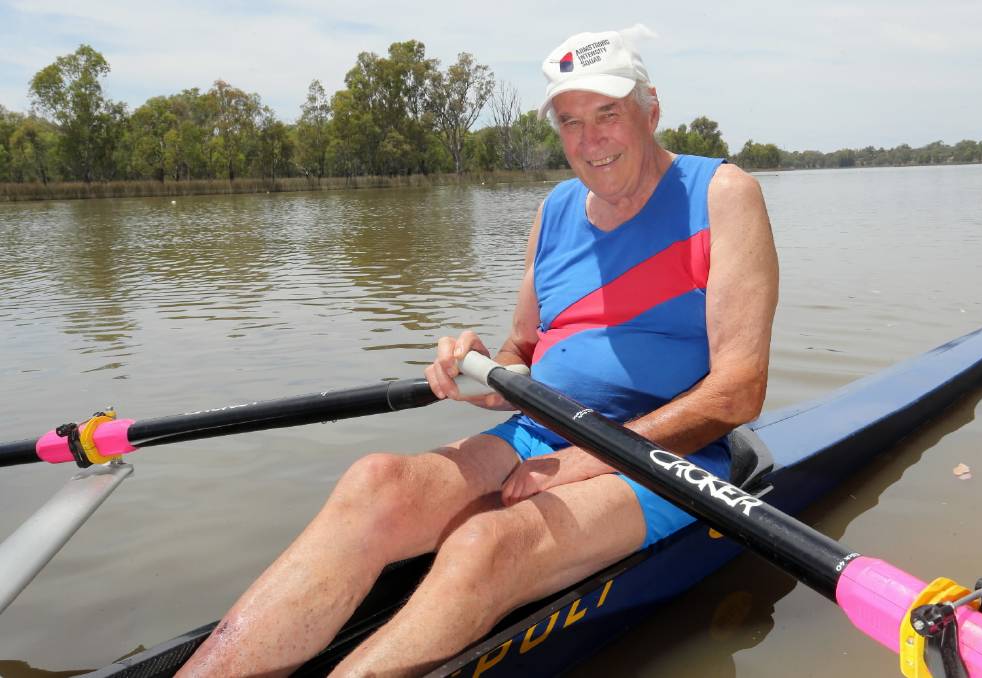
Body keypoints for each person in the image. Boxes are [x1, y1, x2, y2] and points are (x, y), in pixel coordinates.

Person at [180, 24, 777, 677]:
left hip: (669, 459)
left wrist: (589, 459)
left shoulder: (721, 194)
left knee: (482, 544)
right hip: (536, 433)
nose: (589, 140)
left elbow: (738, 390)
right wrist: (472, 369)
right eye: (570, 122)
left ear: (651, 109)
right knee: (374, 483)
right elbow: (519, 359)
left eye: (608, 113)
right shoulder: (554, 211)